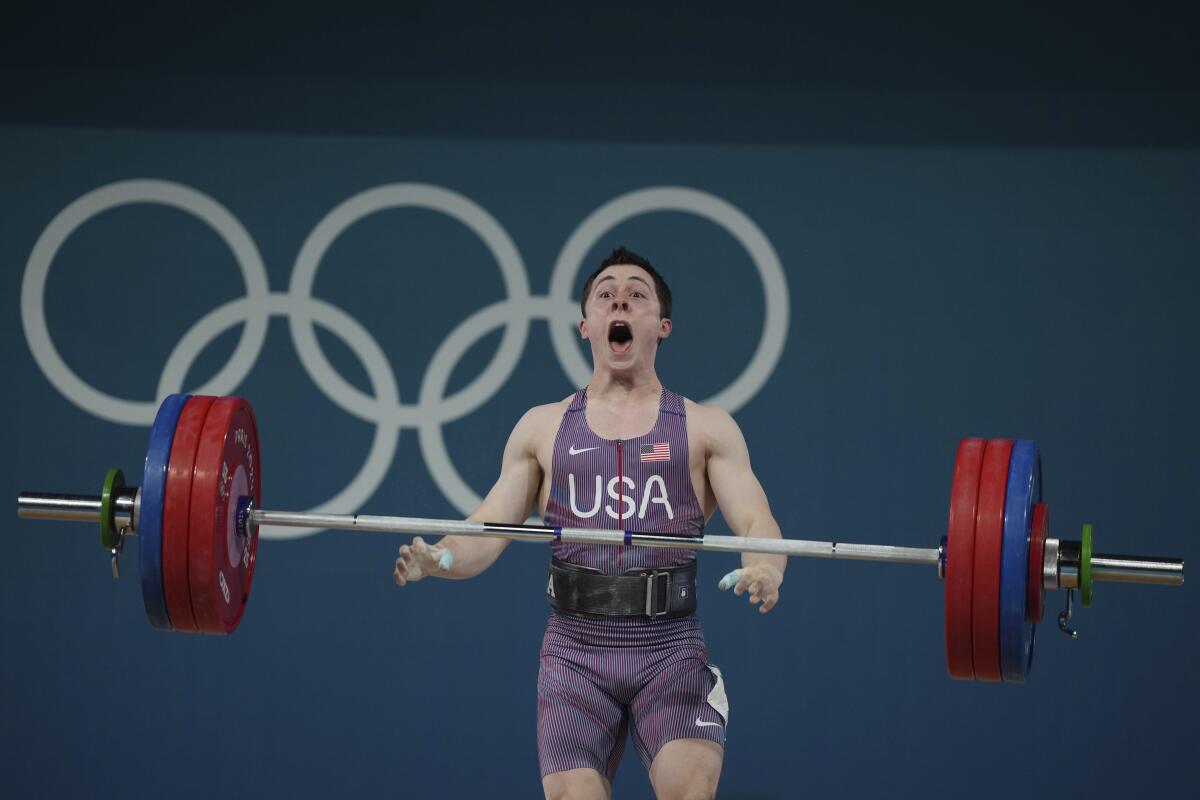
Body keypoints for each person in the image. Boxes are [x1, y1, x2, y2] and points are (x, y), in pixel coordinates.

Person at [393, 246, 786, 800]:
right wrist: (443, 557)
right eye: (605, 293)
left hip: (669, 648)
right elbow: (486, 528)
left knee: (688, 790)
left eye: (636, 293)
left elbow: (757, 520)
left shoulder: (706, 427)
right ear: (587, 325)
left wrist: (767, 568)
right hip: (574, 651)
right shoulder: (542, 428)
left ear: (662, 326)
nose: (619, 297)